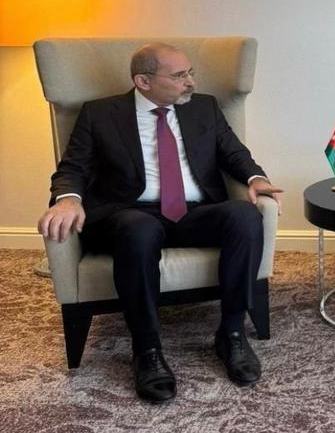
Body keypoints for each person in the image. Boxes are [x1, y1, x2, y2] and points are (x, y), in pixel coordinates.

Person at [37, 42, 283, 404]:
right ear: (143, 81)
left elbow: (233, 151)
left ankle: (231, 334)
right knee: (139, 229)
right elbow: (73, 167)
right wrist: (68, 199)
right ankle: (147, 350)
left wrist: (255, 178)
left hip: (194, 211)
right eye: (180, 75)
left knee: (245, 215)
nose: (190, 82)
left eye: (190, 72)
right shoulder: (100, 113)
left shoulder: (204, 107)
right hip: (130, 214)